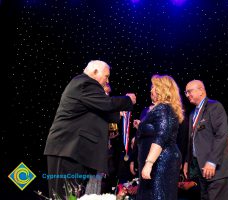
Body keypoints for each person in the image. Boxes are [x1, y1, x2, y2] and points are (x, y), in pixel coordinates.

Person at [44, 60, 136, 199]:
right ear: (94, 72)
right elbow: (106, 104)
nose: (107, 80)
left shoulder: (86, 88)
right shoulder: (85, 83)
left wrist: (118, 113)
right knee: (63, 196)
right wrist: (127, 100)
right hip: (67, 150)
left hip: (73, 151)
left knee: (72, 195)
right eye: (106, 76)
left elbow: (104, 111)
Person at [183, 80, 228, 200]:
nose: (187, 95)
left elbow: (221, 135)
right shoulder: (193, 113)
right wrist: (188, 160)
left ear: (201, 91)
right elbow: (191, 140)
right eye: (185, 92)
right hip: (203, 171)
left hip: (219, 170)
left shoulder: (215, 106)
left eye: (189, 91)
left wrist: (212, 161)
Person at [136, 75, 184, 200]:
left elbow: (161, 136)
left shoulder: (164, 108)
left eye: (153, 87)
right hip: (158, 160)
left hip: (161, 161)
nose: (151, 90)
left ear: (161, 89)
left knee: (158, 195)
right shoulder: (161, 109)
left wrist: (149, 163)